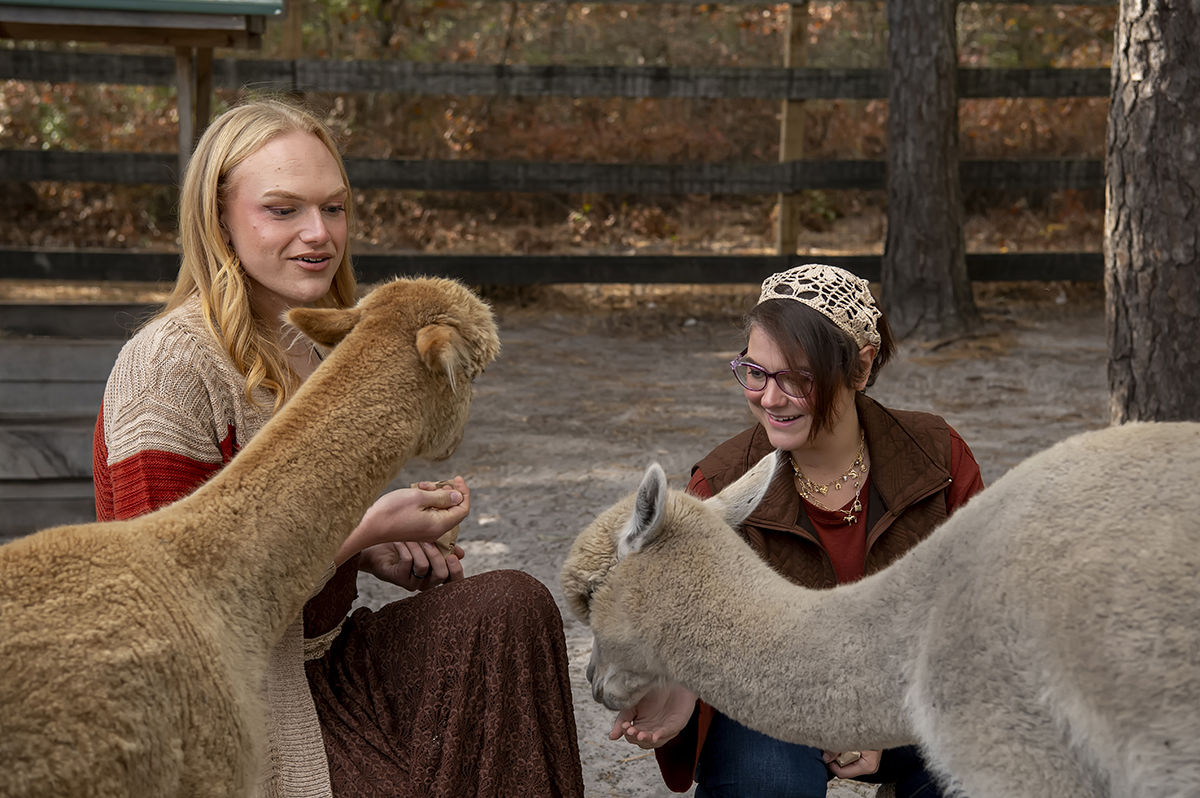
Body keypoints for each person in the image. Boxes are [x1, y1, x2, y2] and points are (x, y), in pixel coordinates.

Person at [92, 97, 585, 798]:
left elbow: (309, 560)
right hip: (231, 711)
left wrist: (380, 553)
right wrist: (360, 531)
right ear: (220, 220)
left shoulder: (317, 346)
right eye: (284, 209)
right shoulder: (170, 370)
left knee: (510, 607)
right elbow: (178, 614)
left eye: (334, 208)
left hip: (325, 666)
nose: (319, 234)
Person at [608, 263, 985, 798]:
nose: (769, 397)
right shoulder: (718, 484)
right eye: (755, 372)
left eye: (797, 379)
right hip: (776, 706)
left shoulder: (937, 456)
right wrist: (678, 680)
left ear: (860, 367)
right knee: (766, 779)